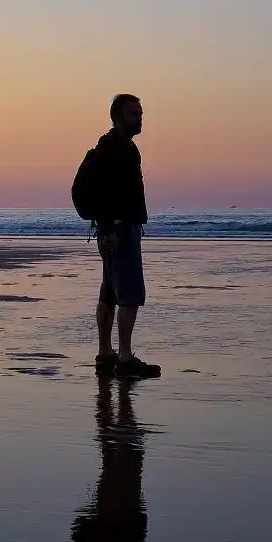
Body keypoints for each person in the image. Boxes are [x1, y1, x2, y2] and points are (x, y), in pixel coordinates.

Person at [90, 94, 160, 378]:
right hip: (118, 231)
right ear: (117, 117)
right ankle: (125, 358)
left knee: (110, 291)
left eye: (141, 113)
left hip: (114, 230)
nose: (140, 118)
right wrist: (108, 229)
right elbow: (104, 192)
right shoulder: (116, 149)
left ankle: (106, 355)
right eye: (134, 114)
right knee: (129, 295)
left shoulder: (118, 147)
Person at [70, 377, 148, 542]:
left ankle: (119, 394)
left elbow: (79, 538)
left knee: (123, 451)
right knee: (124, 451)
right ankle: (119, 394)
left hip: (118, 512)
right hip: (120, 511)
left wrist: (109, 518)